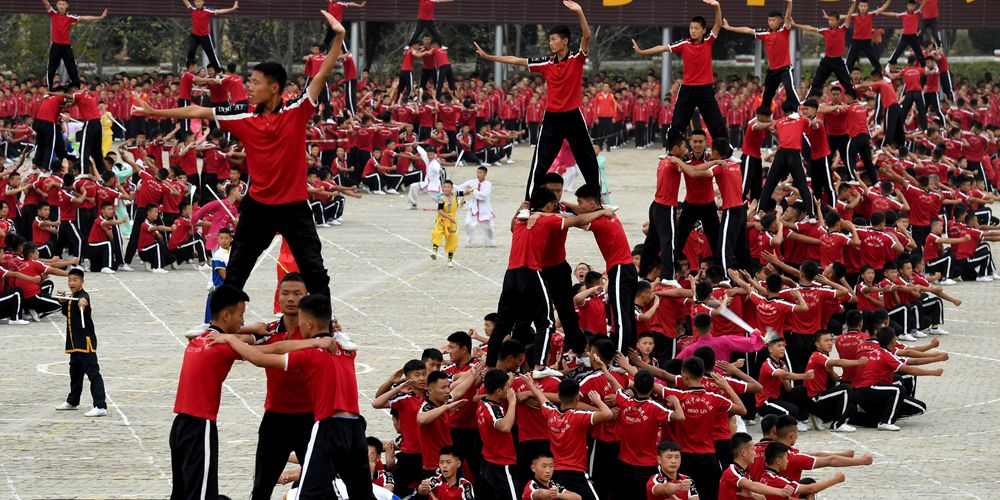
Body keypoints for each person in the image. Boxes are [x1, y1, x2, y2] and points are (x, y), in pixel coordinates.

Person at [134, 10, 346, 301]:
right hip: (258, 207)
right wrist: (154, 111)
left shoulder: (297, 111)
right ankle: (219, 326)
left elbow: (323, 72)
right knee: (236, 272)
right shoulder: (243, 116)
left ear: (274, 87)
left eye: (256, 82)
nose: (250, 87)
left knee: (315, 272)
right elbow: (197, 110)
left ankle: (326, 330)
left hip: (294, 206)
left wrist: (339, 37)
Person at [213, 294, 376, 499]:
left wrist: (228, 338)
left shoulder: (312, 352)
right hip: (355, 427)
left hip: (329, 426)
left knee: (310, 493)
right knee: (362, 493)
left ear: (307, 323)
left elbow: (261, 357)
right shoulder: (346, 346)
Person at [473, 1, 600, 202]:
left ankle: (596, 200)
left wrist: (579, 12)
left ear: (565, 41)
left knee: (588, 160)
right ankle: (529, 201)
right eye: (549, 40)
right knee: (540, 163)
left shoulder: (576, 58)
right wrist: (489, 57)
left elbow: (587, 36)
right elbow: (516, 60)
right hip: (552, 119)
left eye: (554, 39)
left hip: (574, 116)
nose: (550, 43)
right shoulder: (546, 62)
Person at [169, 285, 250, 499]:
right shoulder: (222, 346)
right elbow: (261, 353)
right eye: (241, 315)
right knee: (201, 494)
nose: (243, 322)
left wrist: (245, 333)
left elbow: (240, 333)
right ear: (226, 315)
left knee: (182, 493)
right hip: (199, 425)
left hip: (179, 426)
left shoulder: (200, 338)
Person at [632, 0, 726, 145]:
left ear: (703, 30)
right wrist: (642, 52)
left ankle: (725, 151)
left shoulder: (708, 41)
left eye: (696, 28)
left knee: (715, 122)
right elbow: (662, 47)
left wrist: (717, 7)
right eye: (691, 28)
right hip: (687, 88)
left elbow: (718, 25)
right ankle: (671, 150)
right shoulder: (684, 43)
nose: (692, 30)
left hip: (706, 88)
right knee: (677, 122)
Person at [523, 376, 614, 500]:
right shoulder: (578, 417)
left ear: (559, 395)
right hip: (576, 473)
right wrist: (597, 400)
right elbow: (608, 414)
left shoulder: (550, 413)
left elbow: (541, 397)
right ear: (577, 398)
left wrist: (530, 383)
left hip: (556, 473)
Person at [574, 185, 637, 354]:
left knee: (621, 318)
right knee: (627, 315)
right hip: (627, 267)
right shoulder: (609, 214)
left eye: (580, 202)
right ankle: (630, 353)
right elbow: (582, 213)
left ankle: (620, 357)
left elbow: (577, 220)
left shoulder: (600, 221)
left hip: (620, 269)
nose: (578, 206)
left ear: (593, 204)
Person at [722, 0, 798, 114]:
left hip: (785, 68)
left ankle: (797, 109)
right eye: (769, 20)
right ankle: (764, 113)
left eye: (774, 20)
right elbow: (747, 30)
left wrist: (790, 3)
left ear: (779, 21)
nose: (771, 23)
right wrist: (730, 28)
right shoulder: (764, 33)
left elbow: (788, 17)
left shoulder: (784, 30)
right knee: (768, 93)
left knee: (789, 88)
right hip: (772, 71)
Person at [53, 268, 107, 417]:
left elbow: (84, 302)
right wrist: (63, 302)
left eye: (75, 279)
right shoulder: (72, 297)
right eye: (70, 279)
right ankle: (73, 401)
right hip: (73, 343)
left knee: (93, 374)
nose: (71, 282)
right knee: (75, 374)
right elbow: (68, 313)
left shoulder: (83, 296)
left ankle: (100, 405)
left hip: (85, 342)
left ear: (82, 281)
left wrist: (83, 303)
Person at [795, 1, 857, 97]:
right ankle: (807, 100)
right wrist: (795, 24)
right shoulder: (825, 31)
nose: (830, 22)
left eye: (832, 20)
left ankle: (854, 100)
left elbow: (849, 16)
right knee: (816, 83)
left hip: (838, 61)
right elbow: (810, 28)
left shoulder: (842, 29)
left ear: (837, 21)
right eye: (829, 20)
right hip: (827, 61)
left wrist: (853, 4)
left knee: (847, 83)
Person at [41, 0, 107, 88]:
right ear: (56, 5)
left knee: (72, 68)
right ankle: (49, 87)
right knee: (51, 68)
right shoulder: (54, 14)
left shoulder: (70, 16)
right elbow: (46, 4)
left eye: (63, 4)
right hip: (55, 45)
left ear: (67, 6)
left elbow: (85, 17)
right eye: (60, 4)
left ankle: (77, 87)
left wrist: (99, 17)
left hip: (66, 46)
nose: (61, 6)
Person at [478, 368, 519, 500]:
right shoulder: (491, 409)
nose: (510, 389)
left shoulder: (483, 402)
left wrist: (507, 383)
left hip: (489, 461)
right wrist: (512, 403)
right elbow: (505, 427)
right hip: (501, 464)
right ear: (499, 391)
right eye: (507, 387)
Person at [718, 433, 795, 499]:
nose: (755, 453)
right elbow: (753, 486)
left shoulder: (746, 473)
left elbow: (762, 497)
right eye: (753, 449)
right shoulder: (732, 471)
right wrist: (780, 491)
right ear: (743, 452)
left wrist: (753, 495)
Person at [761, 442, 846, 497]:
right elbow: (811, 489)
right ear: (778, 461)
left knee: (808, 481)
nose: (787, 461)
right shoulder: (778, 481)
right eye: (786, 458)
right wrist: (836, 480)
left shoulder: (762, 475)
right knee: (811, 489)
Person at [182, 0, 239, 71]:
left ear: (203, 2)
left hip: (204, 37)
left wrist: (232, 9)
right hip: (195, 36)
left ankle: (219, 71)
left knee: (211, 55)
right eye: (196, 1)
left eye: (199, 1)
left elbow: (219, 11)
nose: (198, 3)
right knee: (190, 51)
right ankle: (189, 68)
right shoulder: (192, 9)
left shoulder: (208, 10)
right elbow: (186, 2)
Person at [844, 0, 892, 75]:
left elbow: (882, 9)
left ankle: (882, 75)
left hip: (867, 42)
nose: (863, 8)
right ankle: (845, 77)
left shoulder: (870, 14)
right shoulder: (855, 16)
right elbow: (847, 15)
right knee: (850, 61)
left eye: (865, 6)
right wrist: (831, 18)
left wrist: (889, 1)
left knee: (874, 60)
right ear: (858, 7)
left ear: (867, 7)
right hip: (856, 41)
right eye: (861, 6)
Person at [457, 166, 495, 247]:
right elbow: (459, 187)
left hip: (484, 209)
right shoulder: (472, 182)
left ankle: (490, 242)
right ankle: (469, 240)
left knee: (488, 227)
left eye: (480, 173)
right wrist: (463, 192)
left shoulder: (488, 184)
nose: (478, 174)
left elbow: (483, 196)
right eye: (477, 172)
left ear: (485, 174)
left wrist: (473, 190)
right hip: (473, 208)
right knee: (468, 224)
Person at [885, 0, 926, 67]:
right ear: (907, 6)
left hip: (913, 36)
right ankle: (892, 63)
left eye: (912, 6)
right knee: (898, 50)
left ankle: (924, 66)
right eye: (909, 6)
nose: (911, 7)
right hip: (905, 36)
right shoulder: (903, 14)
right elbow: (894, 14)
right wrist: (881, 12)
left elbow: (923, 5)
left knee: (919, 52)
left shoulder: (917, 13)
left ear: (915, 7)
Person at [431, 180, 461, 267]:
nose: (446, 189)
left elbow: (465, 192)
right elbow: (440, 211)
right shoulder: (441, 198)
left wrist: (473, 189)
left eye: (448, 187)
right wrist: (449, 218)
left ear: (452, 188)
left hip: (452, 220)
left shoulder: (455, 195)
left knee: (452, 239)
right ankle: (434, 251)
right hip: (443, 219)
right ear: (442, 188)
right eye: (444, 187)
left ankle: (449, 260)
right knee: (437, 233)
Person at [204, 228, 232, 323]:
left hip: (228, 288)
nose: (223, 241)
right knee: (213, 322)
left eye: (226, 238)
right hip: (218, 290)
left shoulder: (232, 252)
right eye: (221, 238)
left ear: (231, 239)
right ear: (217, 239)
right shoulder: (218, 256)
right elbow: (224, 276)